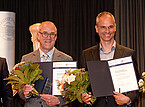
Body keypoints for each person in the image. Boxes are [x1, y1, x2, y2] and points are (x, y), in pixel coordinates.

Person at [80, 11, 140, 107]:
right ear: (96, 28)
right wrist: (82, 96)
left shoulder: (128, 53)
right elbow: (81, 85)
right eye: (103, 27)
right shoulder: (86, 54)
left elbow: (137, 85)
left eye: (110, 27)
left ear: (115, 27)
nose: (107, 31)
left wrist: (128, 99)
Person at [19, 21, 73, 107]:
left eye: (52, 34)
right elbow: (20, 91)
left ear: (56, 37)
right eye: (45, 33)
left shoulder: (66, 60)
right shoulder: (26, 59)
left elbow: (72, 92)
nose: (48, 37)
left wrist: (59, 101)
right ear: (38, 36)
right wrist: (25, 93)